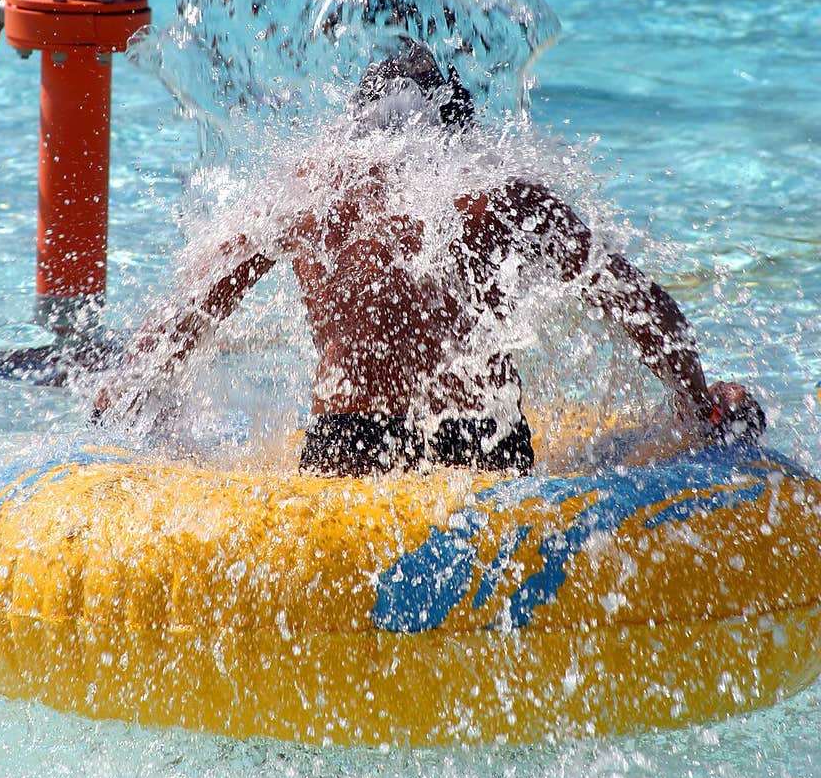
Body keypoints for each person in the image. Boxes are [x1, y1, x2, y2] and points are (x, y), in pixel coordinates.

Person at [92, 42, 766, 477]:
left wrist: (127, 394)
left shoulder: (306, 195)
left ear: (356, 129)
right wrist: (699, 403)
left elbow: (191, 309)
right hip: (477, 443)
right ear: (456, 127)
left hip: (346, 443)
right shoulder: (503, 197)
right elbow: (647, 310)